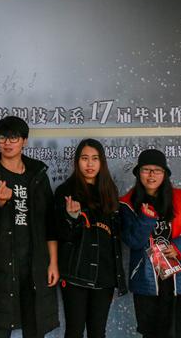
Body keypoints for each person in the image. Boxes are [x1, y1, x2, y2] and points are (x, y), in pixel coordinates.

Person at [0, 116, 59, 338]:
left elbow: (50, 222)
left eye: (13, 138)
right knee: (0, 328)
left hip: (35, 264)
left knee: (35, 326)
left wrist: (53, 263)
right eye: (2, 138)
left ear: (24, 141)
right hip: (0, 264)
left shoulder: (37, 173)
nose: (7, 143)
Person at [54, 138, 127, 338]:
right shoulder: (66, 192)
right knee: (74, 331)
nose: (90, 164)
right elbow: (61, 235)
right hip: (76, 274)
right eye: (84, 158)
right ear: (77, 161)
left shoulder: (110, 191)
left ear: (102, 162)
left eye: (95, 158)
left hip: (105, 275)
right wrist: (71, 218)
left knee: (98, 332)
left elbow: (115, 236)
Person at [120, 149, 181, 338]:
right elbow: (133, 241)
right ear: (139, 173)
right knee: (151, 333)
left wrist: (178, 248)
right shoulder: (127, 203)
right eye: (146, 170)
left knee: (179, 332)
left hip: (180, 278)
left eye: (157, 170)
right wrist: (145, 219)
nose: (151, 175)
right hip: (147, 279)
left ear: (165, 174)